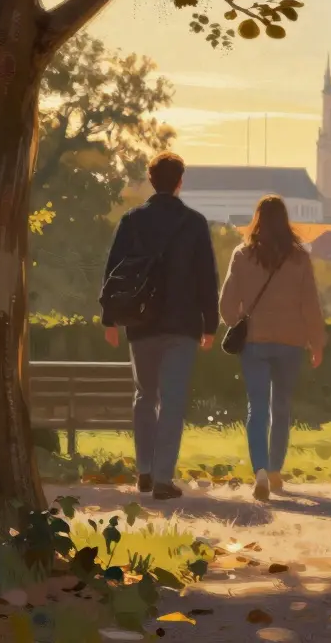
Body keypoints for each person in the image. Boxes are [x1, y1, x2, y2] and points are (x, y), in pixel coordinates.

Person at [101, 152, 219, 501]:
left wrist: (110, 318)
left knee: (144, 397)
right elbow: (206, 278)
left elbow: (114, 272)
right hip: (182, 324)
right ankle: (164, 477)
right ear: (180, 181)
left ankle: (145, 471)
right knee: (173, 400)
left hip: (140, 322)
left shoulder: (132, 221)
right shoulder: (194, 223)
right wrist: (209, 324)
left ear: (151, 180)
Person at [219, 195, 326, 502]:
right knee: (281, 407)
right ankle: (277, 469)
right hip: (291, 343)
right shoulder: (299, 258)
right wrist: (315, 342)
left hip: (254, 342)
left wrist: (238, 323)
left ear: (257, 220)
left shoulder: (242, 254)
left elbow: (226, 303)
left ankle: (261, 472)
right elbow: (311, 305)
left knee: (257, 407)